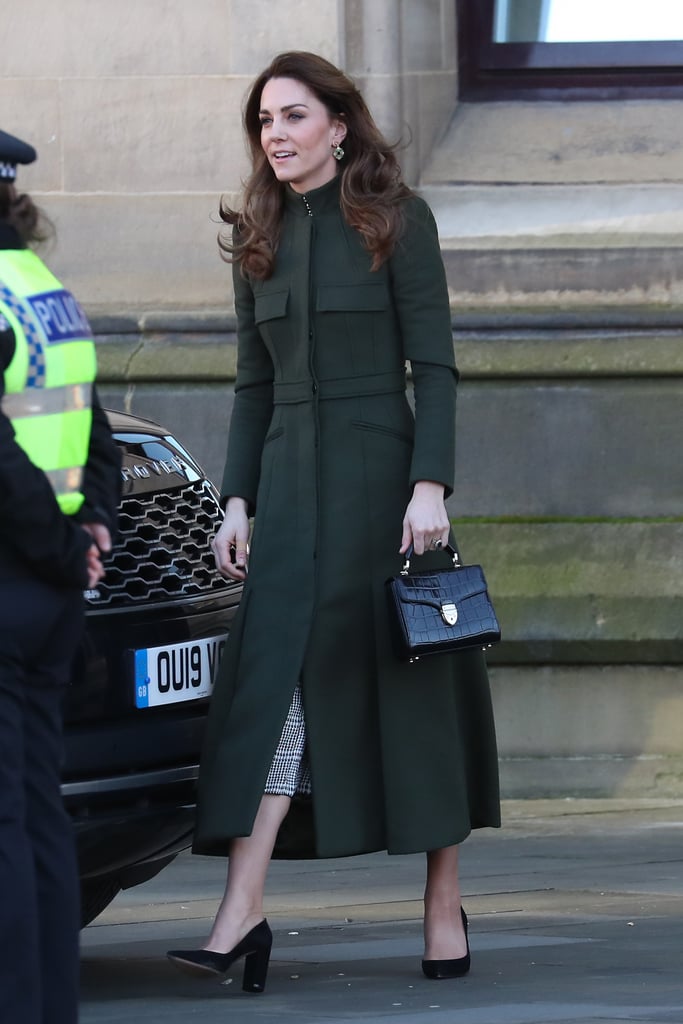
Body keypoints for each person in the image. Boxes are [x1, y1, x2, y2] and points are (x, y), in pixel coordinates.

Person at [167, 51, 500, 992]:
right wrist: (235, 502)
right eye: (264, 121)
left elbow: (432, 366)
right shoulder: (256, 233)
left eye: (293, 117)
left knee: (415, 685)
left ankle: (442, 904)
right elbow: (252, 385)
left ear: (338, 126)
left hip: (385, 491)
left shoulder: (398, 221)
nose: (275, 134)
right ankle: (241, 910)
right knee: (272, 689)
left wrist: (429, 484)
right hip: (288, 492)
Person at [0, 129, 121, 1024]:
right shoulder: (41, 291)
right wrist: (90, 531)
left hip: (14, 574)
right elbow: (98, 432)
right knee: (37, 816)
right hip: (47, 590)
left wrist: (55, 540)